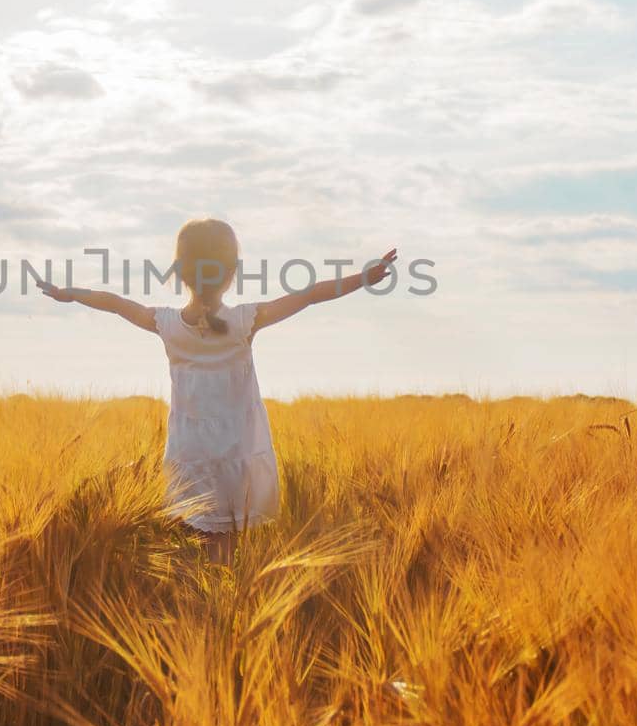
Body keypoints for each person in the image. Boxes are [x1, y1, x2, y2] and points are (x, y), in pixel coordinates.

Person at [37, 217, 397, 562]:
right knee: (227, 551)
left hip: (190, 453)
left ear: (179, 272)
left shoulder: (165, 324)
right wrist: (364, 277)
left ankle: (198, 608)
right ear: (232, 273)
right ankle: (222, 608)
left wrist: (69, 294)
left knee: (193, 546)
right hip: (237, 454)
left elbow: (115, 303)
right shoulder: (245, 321)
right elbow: (309, 295)